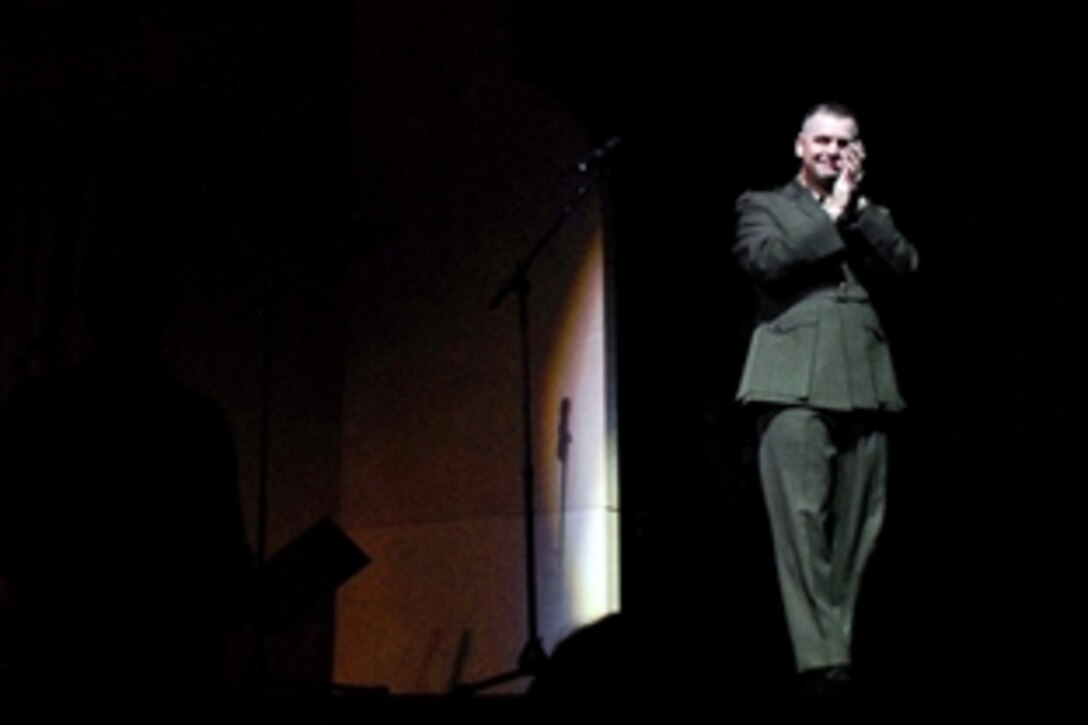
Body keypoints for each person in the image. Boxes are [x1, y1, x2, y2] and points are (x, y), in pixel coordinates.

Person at [733, 102, 918, 693]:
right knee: (803, 523)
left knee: (864, 525)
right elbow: (767, 263)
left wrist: (855, 212)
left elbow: (906, 268)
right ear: (799, 145)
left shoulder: (869, 214)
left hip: (864, 380)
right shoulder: (762, 205)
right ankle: (823, 664)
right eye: (823, 141)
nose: (832, 152)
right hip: (791, 382)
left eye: (845, 143)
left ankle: (834, 648)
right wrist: (830, 215)